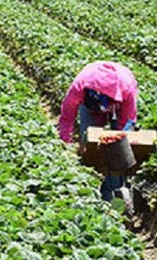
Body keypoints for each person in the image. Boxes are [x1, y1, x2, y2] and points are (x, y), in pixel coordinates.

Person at [59, 61, 138, 201]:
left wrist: (118, 138)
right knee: (89, 138)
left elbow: (128, 120)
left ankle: (114, 185)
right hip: (90, 106)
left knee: (118, 148)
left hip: (118, 105)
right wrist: (65, 144)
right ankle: (91, 176)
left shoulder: (127, 88)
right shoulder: (78, 88)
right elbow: (67, 118)